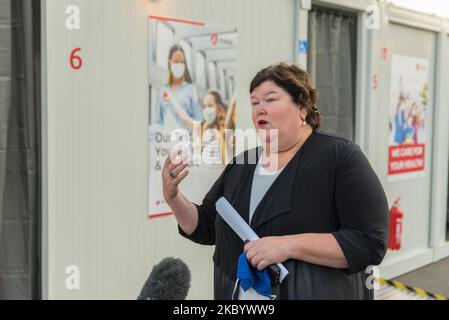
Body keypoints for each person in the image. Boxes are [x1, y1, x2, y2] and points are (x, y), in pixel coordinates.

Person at [162, 62, 389, 300]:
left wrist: (288, 245)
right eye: (254, 102)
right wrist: (174, 198)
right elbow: (206, 227)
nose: (260, 109)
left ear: (303, 107)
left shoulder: (339, 158)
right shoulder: (243, 164)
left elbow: (370, 241)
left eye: (270, 100)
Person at [155, 44, 201, 130]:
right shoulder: (162, 91)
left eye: (182, 62)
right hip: (166, 141)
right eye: (176, 61)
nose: (179, 64)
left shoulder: (190, 89)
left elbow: (197, 123)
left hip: (186, 141)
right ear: (170, 63)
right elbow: (159, 122)